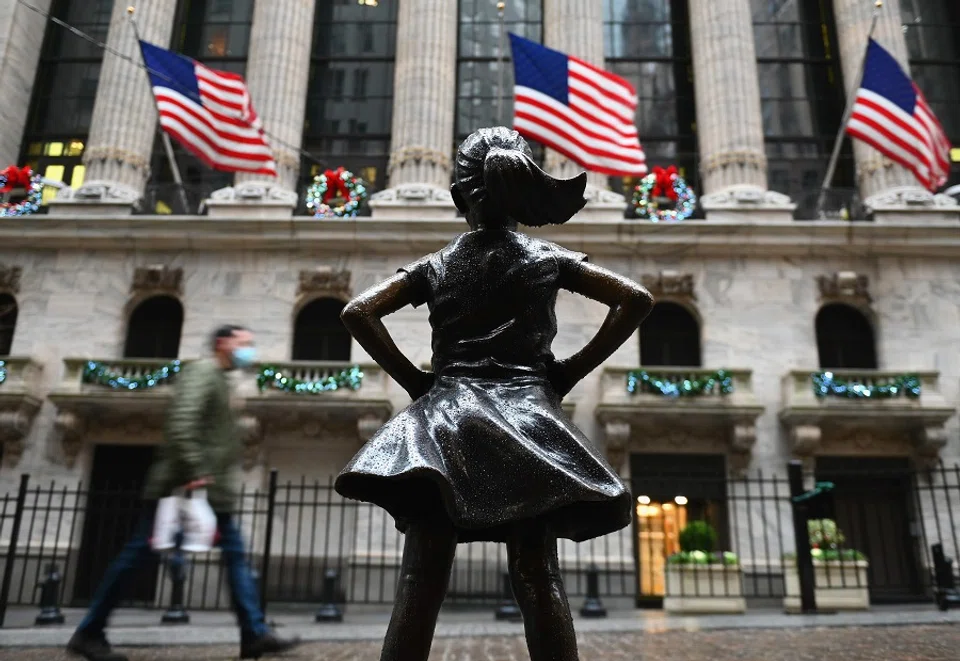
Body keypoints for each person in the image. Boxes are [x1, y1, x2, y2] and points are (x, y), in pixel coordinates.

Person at [334, 127, 654, 661]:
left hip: (445, 424)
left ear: (460, 196)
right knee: (537, 575)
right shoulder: (546, 257)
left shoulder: (436, 265)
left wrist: (417, 384)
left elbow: (357, 312)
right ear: (523, 194)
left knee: (421, 578)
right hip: (528, 422)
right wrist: (570, 371)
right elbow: (636, 300)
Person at [68, 325, 299, 661]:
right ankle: (89, 631)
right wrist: (194, 470)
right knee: (136, 558)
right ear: (223, 343)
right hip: (182, 488)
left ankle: (254, 633)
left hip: (208, 492)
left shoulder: (220, 379)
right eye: (244, 343)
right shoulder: (202, 373)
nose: (249, 350)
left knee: (235, 558)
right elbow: (183, 421)